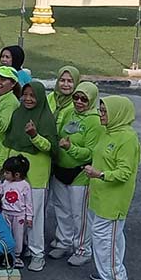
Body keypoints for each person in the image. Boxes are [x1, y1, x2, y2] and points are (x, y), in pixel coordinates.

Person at [84, 95, 141, 280]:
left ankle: (115, 278)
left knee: (105, 241)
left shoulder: (127, 139)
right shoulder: (107, 131)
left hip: (113, 201)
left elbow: (125, 172)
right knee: (110, 239)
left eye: (104, 111)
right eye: (101, 110)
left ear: (118, 113)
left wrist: (100, 174)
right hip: (99, 196)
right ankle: (107, 273)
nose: (101, 114)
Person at [3, 81, 57, 272]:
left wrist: (34, 135)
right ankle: (20, 248)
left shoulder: (45, 118)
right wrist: (4, 170)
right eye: (25, 94)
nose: (28, 99)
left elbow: (50, 147)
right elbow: (10, 142)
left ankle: (37, 254)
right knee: (14, 214)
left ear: (40, 97)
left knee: (33, 217)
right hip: (16, 175)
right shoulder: (18, 114)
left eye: (32, 95)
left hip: (36, 175)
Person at [49, 81, 101, 266]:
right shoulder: (69, 112)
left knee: (80, 214)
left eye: (84, 99)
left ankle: (83, 249)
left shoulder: (94, 121)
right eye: (76, 97)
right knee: (61, 209)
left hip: (79, 173)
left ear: (92, 100)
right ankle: (64, 242)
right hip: (61, 169)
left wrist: (71, 148)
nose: (79, 102)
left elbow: (91, 152)